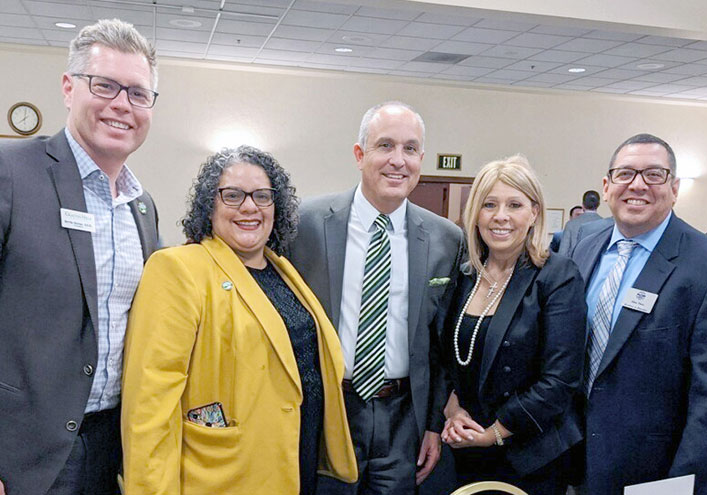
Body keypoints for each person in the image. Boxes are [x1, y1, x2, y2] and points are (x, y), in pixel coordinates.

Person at [121, 146, 358, 495]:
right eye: (232, 195)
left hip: (294, 461)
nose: (250, 207)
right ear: (209, 205)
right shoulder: (178, 268)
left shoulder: (282, 269)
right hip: (224, 474)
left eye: (263, 196)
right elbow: (149, 404)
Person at [0, 19, 159, 495]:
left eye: (138, 93)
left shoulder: (143, 207)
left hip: (113, 447)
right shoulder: (11, 175)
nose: (121, 105)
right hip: (22, 454)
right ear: (69, 88)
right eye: (105, 85)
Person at [289, 101, 464, 494]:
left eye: (410, 149)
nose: (397, 161)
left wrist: (433, 423)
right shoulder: (306, 224)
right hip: (328, 409)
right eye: (385, 146)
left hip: (404, 418)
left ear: (421, 158)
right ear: (359, 154)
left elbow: (441, 345)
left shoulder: (445, 240)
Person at [570, 133, 707, 495]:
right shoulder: (585, 248)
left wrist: (682, 487)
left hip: (653, 475)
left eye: (654, 175)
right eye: (626, 174)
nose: (638, 185)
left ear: (674, 188)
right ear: (607, 185)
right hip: (572, 465)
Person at [441, 155, 586, 494]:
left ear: (534, 212)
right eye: (489, 204)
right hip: (464, 446)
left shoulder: (557, 276)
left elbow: (560, 380)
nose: (500, 216)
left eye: (515, 204)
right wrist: (452, 411)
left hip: (531, 454)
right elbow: (443, 356)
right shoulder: (463, 274)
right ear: (475, 213)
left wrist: (493, 434)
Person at [558, 190, 602, 255]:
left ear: (583, 205)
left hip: (574, 263)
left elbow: (562, 252)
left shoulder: (571, 224)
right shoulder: (606, 226)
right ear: (598, 204)